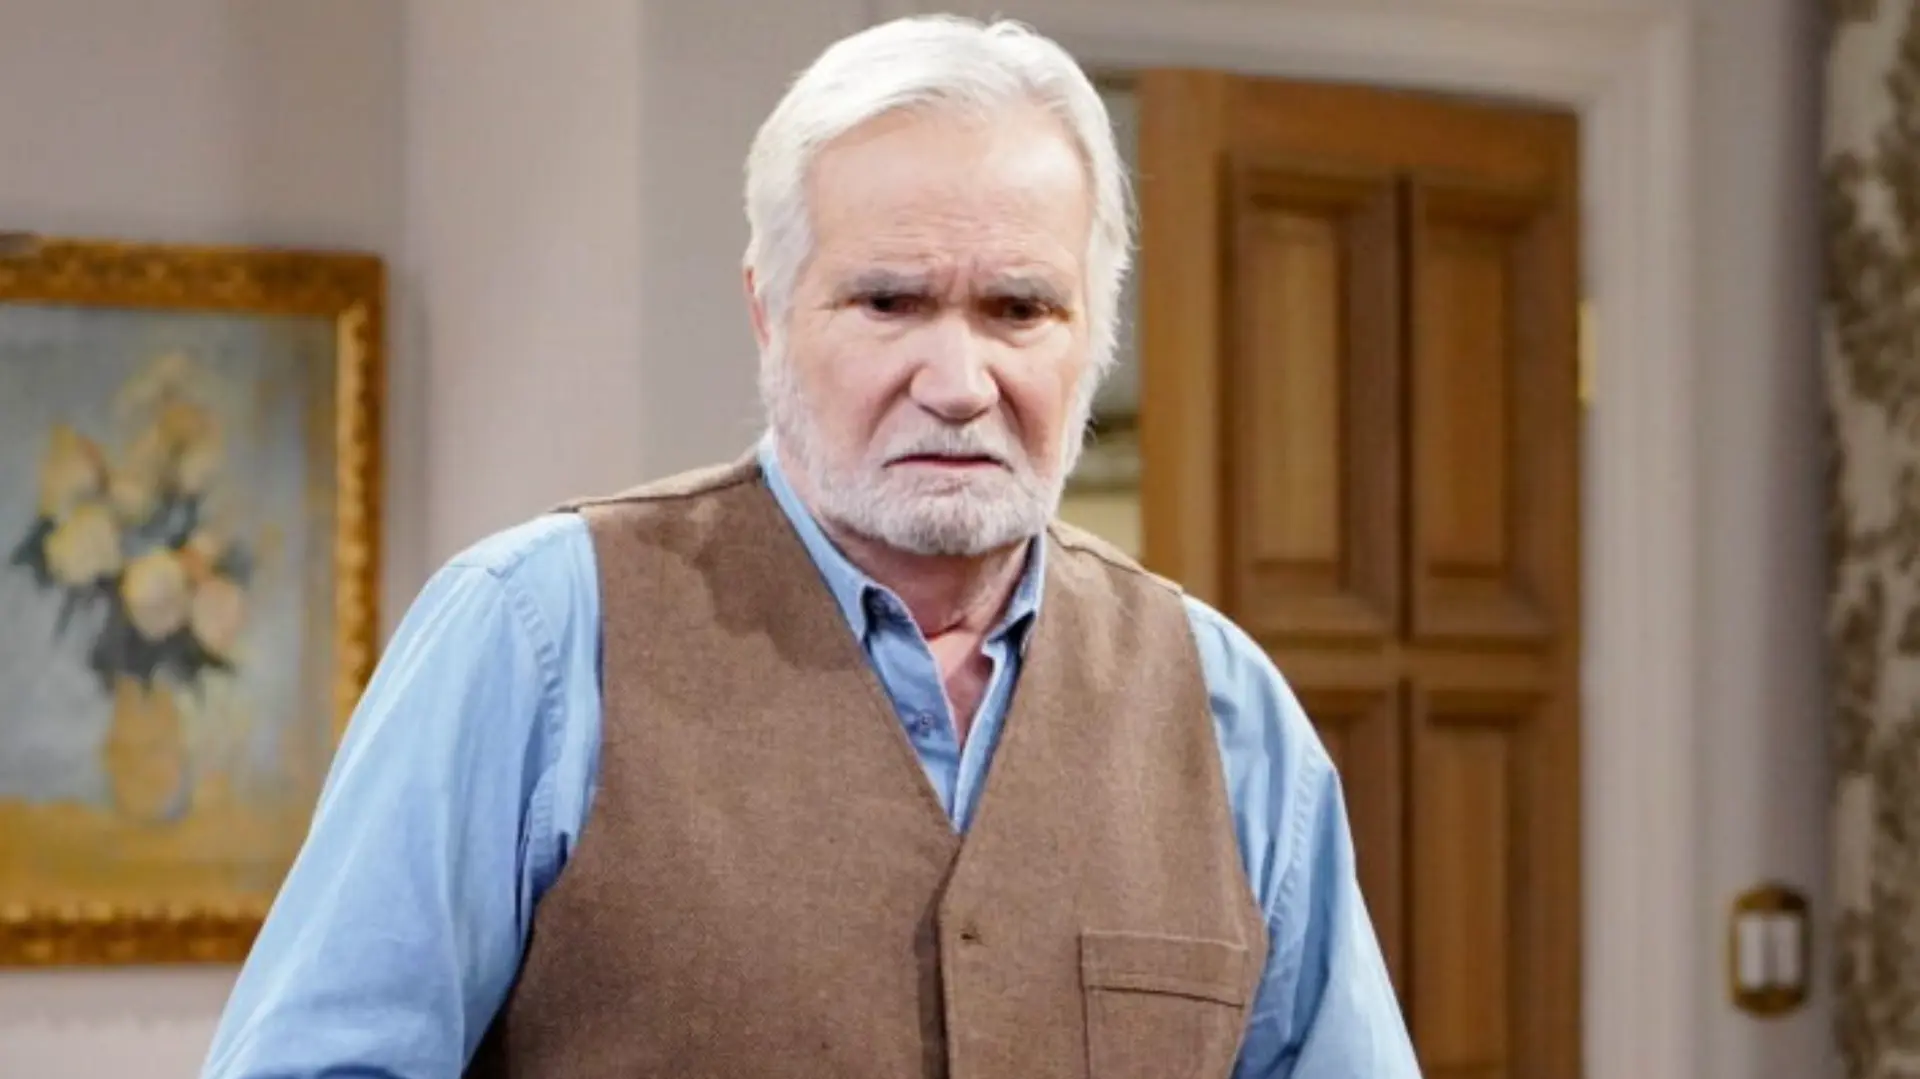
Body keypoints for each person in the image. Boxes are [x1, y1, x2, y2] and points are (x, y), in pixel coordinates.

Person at [199, 14, 1418, 1079]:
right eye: (890, 301)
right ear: (770, 311)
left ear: (1090, 332)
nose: (958, 381)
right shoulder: (536, 633)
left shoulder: (1224, 708)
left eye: (1018, 308)